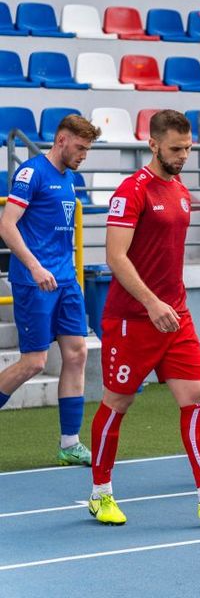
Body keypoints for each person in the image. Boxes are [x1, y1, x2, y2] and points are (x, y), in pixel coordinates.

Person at [87, 110, 200, 526]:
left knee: (198, 397)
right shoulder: (131, 191)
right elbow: (115, 257)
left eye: (188, 148)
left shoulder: (181, 191)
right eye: (176, 149)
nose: (184, 155)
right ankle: (100, 493)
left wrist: (167, 304)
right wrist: (150, 302)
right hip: (133, 317)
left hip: (175, 315)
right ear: (154, 144)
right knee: (118, 401)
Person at [0, 115, 100, 466]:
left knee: (76, 354)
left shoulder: (70, 178)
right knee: (34, 362)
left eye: (88, 149)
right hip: (34, 281)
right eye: (80, 147)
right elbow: (6, 224)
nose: (83, 155)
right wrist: (34, 266)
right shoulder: (31, 173)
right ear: (61, 140)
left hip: (65, 280)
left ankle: (70, 443)